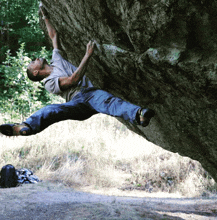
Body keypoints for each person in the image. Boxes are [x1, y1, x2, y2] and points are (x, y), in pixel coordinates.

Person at [0, 4, 155, 137]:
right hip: (78, 103)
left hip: (91, 94)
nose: (35, 59)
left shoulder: (56, 60)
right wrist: (87, 55)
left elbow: (54, 36)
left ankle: (139, 115)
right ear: (35, 73)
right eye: (32, 63)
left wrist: (45, 15)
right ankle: (23, 127)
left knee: (110, 102)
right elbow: (73, 80)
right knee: (51, 110)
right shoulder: (49, 83)